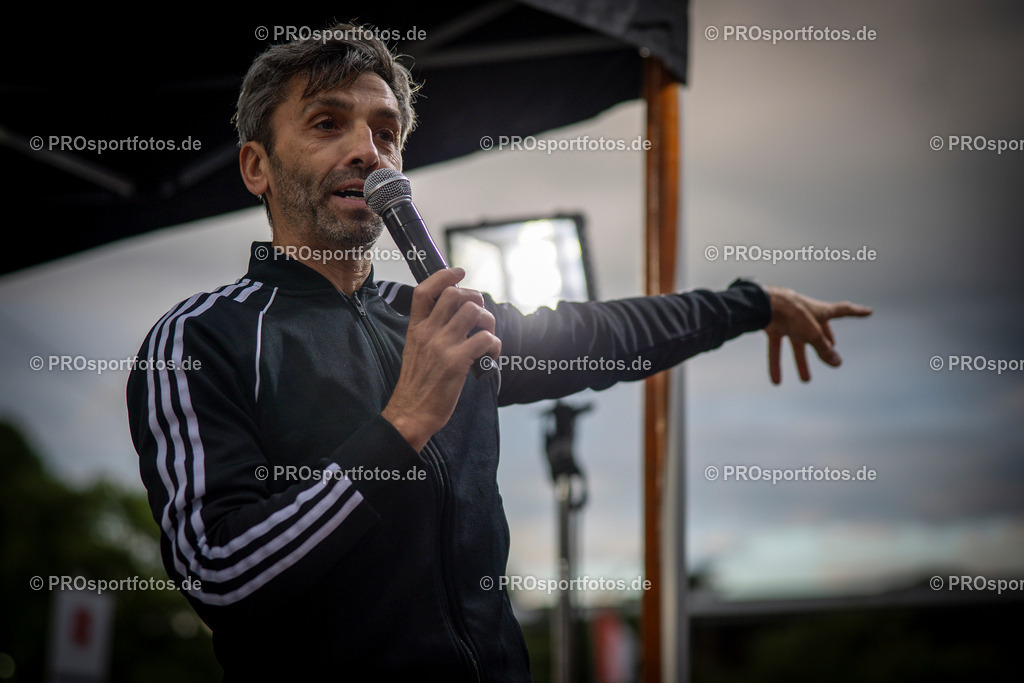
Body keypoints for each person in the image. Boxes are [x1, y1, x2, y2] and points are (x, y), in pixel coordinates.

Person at [126, 22, 871, 681]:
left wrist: (753, 303)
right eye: (327, 123)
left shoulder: (437, 317)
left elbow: (600, 334)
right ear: (257, 166)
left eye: (386, 132)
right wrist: (404, 422)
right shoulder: (198, 339)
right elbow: (221, 573)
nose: (367, 151)